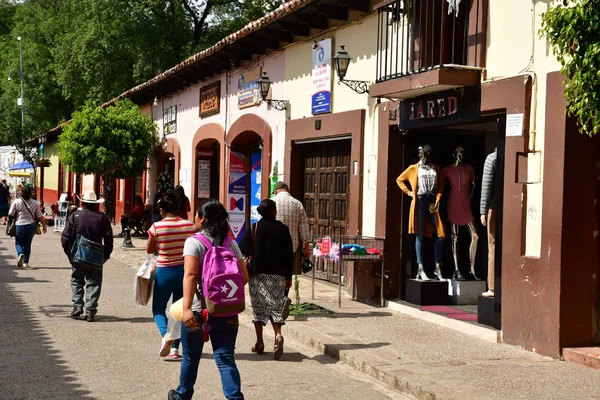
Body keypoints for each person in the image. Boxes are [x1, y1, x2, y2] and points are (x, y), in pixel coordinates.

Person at [168, 199, 248, 400]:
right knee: (225, 358)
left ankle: (182, 396)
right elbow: (244, 277)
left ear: (202, 218)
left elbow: (190, 275)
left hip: (197, 309)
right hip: (227, 311)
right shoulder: (231, 243)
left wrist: (187, 308)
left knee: (190, 358)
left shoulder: (193, 242)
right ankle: (235, 398)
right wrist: (223, 297)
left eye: (197, 215)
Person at [240, 199, 293, 360]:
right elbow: (289, 255)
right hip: (278, 276)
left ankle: (260, 342)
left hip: (257, 275)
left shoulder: (255, 228)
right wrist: (288, 277)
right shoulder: (283, 229)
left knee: (258, 308)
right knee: (276, 306)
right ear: (273, 212)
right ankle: (277, 336)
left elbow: (242, 248)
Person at [146, 190, 196, 361]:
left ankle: (166, 336)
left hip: (164, 271)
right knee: (180, 311)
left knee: (158, 308)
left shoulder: (156, 227)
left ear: (162, 210)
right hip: (185, 272)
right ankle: (175, 349)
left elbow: (150, 249)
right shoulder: (190, 226)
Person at [61, 190, 113, 322]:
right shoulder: (102, 218)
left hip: (78, 255)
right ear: (96, 204)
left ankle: (77, 305)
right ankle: (90, 311)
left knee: (76, 280)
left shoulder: (75, 216)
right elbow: (108, 238)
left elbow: (65, 237)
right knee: (94, 282)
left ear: (83, 202)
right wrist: (106, 255)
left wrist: (70, 254)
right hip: (96, 256)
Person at [272, 181, 310, 315]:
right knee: (287, 275)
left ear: (276, 191)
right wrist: (306, 247)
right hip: (291, 247)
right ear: (287, 190)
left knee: (273, 274)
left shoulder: (271, 202)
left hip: (273, 247)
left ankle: (275, 302)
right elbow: (304, 226)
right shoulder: (297, 204)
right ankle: (283, 299)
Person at [8, 186, 47, 268]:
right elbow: (40, 216)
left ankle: (20, 254)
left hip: (20, 225)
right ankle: (26, 262)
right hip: (31, 226)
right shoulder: (35, 203)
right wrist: (44, 225)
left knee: (18, 242)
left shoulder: (16, 202)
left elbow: (11, 214)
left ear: (22, 193)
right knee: (28, 244)